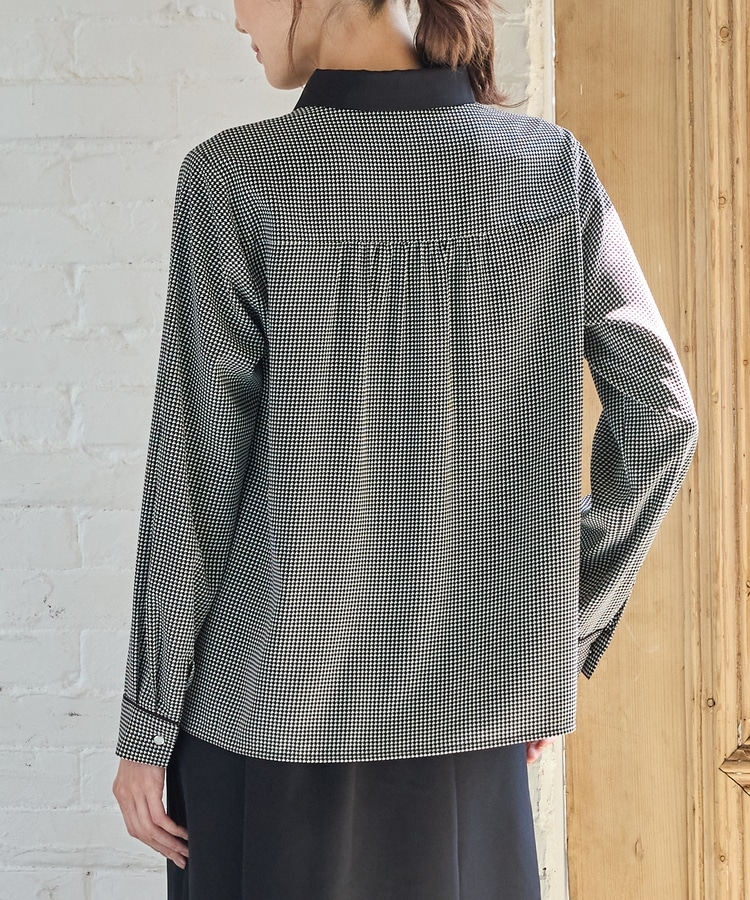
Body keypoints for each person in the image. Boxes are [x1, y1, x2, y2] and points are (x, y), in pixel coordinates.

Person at [111, 0, 699, 896]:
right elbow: (662, 421)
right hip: (475, 720)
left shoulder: (235, 179)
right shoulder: (548, 170)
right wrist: (544, 637)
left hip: (262, 724)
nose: (235, 18)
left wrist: (148, 726)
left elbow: (194, 480)